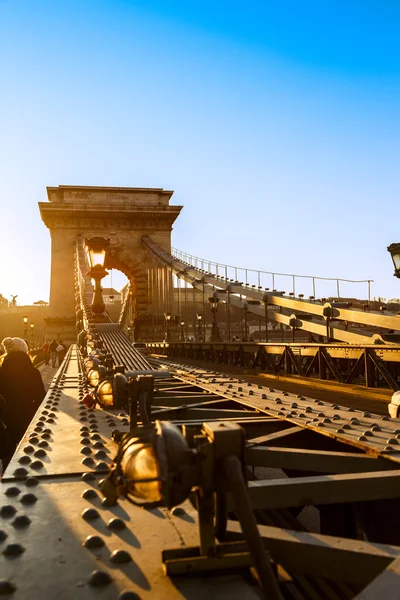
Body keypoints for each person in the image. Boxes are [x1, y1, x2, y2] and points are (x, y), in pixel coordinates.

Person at [0, 337, 46, 468]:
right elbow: (41, 398)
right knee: (28, 459)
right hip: (27, 421)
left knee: (8, 462)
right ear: (25, 351)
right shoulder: (33, 372)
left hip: (5, 423)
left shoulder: (0, 372)